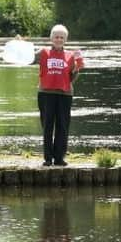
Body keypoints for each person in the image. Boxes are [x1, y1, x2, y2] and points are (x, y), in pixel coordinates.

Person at [33, 24, 83, 166]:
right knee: (47, 126)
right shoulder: (42, 52)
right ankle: (48, 158)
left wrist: (77, 69)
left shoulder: (71, 55)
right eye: (56, 37)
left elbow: (71, 77)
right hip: (45, 94)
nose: (59, 39)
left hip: (65, 94)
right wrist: (19, 47)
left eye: (62, 37)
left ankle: (59, 158)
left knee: (63, 126)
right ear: (51, 38)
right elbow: (27, 58)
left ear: (65, 39)